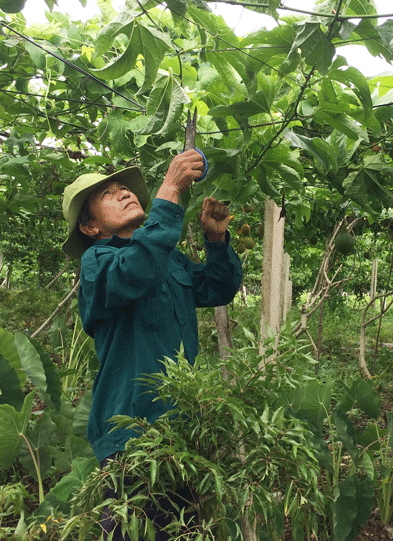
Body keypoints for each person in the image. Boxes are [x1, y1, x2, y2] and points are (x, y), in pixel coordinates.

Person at [61, 150, 244, 540]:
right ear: (91, 227)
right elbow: (140, 269)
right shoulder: (98, 262)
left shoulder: (171, 261)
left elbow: (218, 287)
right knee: (137, 530)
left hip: (183, 424)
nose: (125, 193)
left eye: (125, 188)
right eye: (110, 194)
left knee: (183, 528)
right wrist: (169, 190)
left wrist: (215, 237)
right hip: (133, 429)